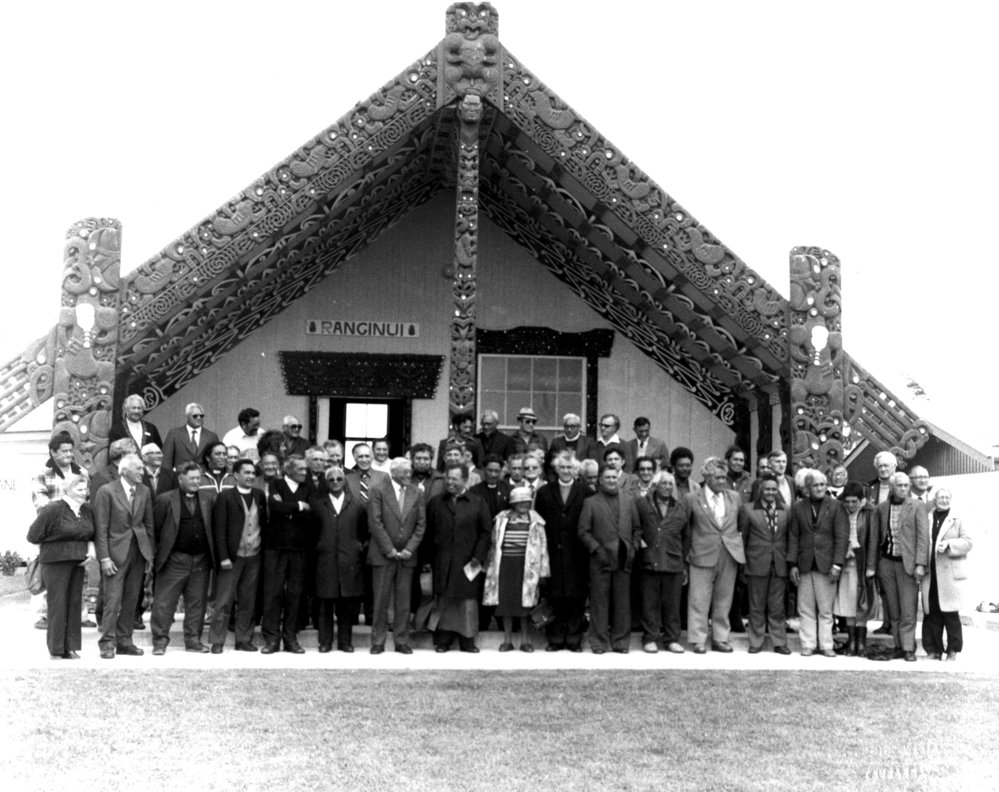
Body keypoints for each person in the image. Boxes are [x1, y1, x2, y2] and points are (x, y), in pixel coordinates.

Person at [150, 462, 217, 655]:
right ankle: (160, 642)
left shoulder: (209, 499)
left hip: (201, 561)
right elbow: (155, 530)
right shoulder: (165, 500)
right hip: (174, 560)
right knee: (164, 603)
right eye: (192, 478)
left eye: (198, 478)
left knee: (197, 603)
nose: (196, 482)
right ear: (180, 479)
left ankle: (193, 641)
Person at [93, 453, 154, 659]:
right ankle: (107, 643)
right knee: (112, 600)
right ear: (125, 470)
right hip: (114, 554)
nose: (142, 471)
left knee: (131, 600)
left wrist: (150, 555)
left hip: (138, 553)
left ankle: (125, 641)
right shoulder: (107, 491)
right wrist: (104, 558)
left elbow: (149, 524)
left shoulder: (144, 491)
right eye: (138, 468)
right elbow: (100, 529)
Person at [26, 474, 94, 659]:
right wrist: (56, 545)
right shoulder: (53, 509)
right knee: (57, 604)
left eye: (85, 489)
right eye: (79, 489)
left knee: (74, 604)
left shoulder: (87, 510)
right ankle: (56, 649)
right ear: (67, 490)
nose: (84, 493)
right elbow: (33, 535)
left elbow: (91, 533)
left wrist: (90, 551)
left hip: (78, 563)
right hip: (55, 564)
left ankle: (70, 647)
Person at [425, 464, 491, 652]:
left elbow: (486, 533)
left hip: (469, 561)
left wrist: (478, 556)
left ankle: (467, 640)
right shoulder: (436, 503)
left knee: (467, 603)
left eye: (454, 479)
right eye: (447, 478)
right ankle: (443, 640)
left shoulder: (477, 502)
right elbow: (429, 534)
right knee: (444, 601)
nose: (450, 482)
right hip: (442, 560)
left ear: (465, 480)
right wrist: (428, 561)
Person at [578, 466, 641, 654]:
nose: (612, 480)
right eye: (608, 477)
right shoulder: (591, 502)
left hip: (624, 558)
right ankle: (599, 642)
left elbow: (637, 529)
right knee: (599, 602)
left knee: (622, 602)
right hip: (600, 559)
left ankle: (621, 642)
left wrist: (633, 547)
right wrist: (597, 549)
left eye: (615, 477)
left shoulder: (629, 501)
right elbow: (583, 531)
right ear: (600, 480)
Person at [685, 457, 745, 654]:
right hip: (701, 555)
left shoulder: (734, 497)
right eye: (718, 478)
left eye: (724, 477)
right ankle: (698, 639)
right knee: (699, 600)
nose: (722, 481)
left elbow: (741, 524)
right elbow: (686, 528)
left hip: (729, 554)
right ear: (707, 477)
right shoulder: (692, 498)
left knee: (724, 599)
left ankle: (720, 638)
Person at [868, 471, 928, 662]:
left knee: (908, 608)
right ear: (892, 488)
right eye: (899, 485)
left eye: (905, 485)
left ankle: (909, 647)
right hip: (886, 563)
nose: (903, 488)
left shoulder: (917, 506)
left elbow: (923, 537)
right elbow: (875, 538)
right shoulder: (882, 508)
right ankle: (898, 645)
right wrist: (872, 565)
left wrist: (920, 564)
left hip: (907, 565)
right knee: (893, 608)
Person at [367, 458, 425, 654]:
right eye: (405, 472)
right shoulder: (378, 490)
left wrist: (410, 548)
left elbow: (421, 524)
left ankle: (401, 640)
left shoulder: (416, 492)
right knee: (381, 600)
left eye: (410, 472)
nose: (409, 475)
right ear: (393, 473)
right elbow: (375, 522)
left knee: (403, 601)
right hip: (383, 554)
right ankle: (378, 641)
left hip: (407, 555)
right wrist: (389, 549)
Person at [209, 458, 267, 653]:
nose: (251, 476)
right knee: (224, 600)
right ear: (236, 475)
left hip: (254, 556)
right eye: (246, 472)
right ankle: (217, 641)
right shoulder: (225, 496)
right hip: (232, 558)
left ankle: (243, 639)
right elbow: (219, 529)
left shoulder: (259, 496)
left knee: (247, 600)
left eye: (253, 473)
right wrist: (223, 557)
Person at [788, 470, 848, 658]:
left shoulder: (836, 506)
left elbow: (842, 537)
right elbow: (793, 536)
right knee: (805, 608)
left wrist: (837, 564)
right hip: (805, 564)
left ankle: (826, 645)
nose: (820, 488)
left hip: (827, 565)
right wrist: (793, 564)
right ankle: (808, 644)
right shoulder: (798, 508)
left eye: (823, 484)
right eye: (816, 485)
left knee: (825, 609)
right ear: (808, 488)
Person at [534, 451, 590, 652]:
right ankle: (556, 639)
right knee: (554, 596)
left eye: (570, 468)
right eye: (562, 467)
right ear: (556, 469)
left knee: (576, 598)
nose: (566, 471)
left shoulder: (586, 491)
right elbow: (538, 524)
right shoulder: (544, 492)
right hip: (552, 552)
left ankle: (574, 640)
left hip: (577, 553)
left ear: (575, 470)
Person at [483, 486, 550, 652]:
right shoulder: (502, 519)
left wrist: (543, 571)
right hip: (505, 565)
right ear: (513, 503)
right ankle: (507, 640)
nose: (523, 505)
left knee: (525, 605)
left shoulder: (536, 521)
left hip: (527, 567)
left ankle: (526, 641)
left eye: (526, 502)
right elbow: (493, 544)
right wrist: (490, 567)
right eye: (520, 502)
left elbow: (543, 548)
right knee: (506, 603)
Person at [260, 455, 314, 654]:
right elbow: (274, 507)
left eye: (305, 469)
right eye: (300, 469)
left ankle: (290, 637)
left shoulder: (309, 488)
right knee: (273, 593)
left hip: (299, 548)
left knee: (295, 593)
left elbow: (312, 513)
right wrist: (299, 506)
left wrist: (287, 509)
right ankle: (271, 639)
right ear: (289, 470)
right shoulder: (277, 484)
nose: (304, 472)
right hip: (276, 547)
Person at [311, 466, 367, 653]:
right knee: (326, 603)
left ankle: (345, 642)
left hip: (348, 560)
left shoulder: (357, 504)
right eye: (331, 480)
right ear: (326, 483)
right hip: (326, 559)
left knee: (346, 605)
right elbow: (312, 531)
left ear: (345, 481)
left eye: (339, 479)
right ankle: (325, 642)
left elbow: (364, 530)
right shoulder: (318, 504)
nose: (335, 482)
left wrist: (357, 546)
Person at [635, 470, 689, 654]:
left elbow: (686, 536)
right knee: (650, 604)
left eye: (670, 484)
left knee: (672, 605)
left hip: (673, 561)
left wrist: (683, 561)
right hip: (649, 560)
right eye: (664, 483)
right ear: (655, 485)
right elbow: (635, 527)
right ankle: (650, 638)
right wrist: (640, 543)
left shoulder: (680, 506)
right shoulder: (642, 503)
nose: (667, 487)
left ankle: (672, 639)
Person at [738, 472, 791, 655]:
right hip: (756, 563)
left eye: (773, 489)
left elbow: (789, 538)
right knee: (756, 605)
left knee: (777, 606)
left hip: (779, 563)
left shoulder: (786, 510)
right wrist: (743, 564)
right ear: (760, 489)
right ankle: (756, 641)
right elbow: (743, 539)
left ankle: (779, 642)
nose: (770, 492)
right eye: (767, 489)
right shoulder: (748, 509)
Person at [921, 488, 971, 661]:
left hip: (949, 573)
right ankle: (934, 650)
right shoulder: (927, 517)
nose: (943, 500)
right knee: (931, 613)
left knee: (950, 613)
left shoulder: (958, 519)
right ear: (934, 500)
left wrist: (949, 544)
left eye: (947, 497)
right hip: (931, 572)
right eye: (940, 497)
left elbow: (968, 542)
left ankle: (953, 650)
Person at [832, 482, 876, 656]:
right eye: (847, 501)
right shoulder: (840, 511)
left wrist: (871, 566)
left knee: (862, 601)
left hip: (863, 562)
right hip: (845, 563)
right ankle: (851, 642)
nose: (850, 505)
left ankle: (861, 643)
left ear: (862, 500)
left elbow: (873, 540)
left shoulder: (870, 512)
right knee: (848, 601)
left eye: (854, 501)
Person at [161, 402, 220, 473]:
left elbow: (215, 460)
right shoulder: (174, 434)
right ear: (187, 417)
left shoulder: (211, 436)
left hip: (204, 478)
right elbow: (166, 460)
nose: (199, 418)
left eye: (201, 416)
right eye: (195, 416)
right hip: (180, 477)